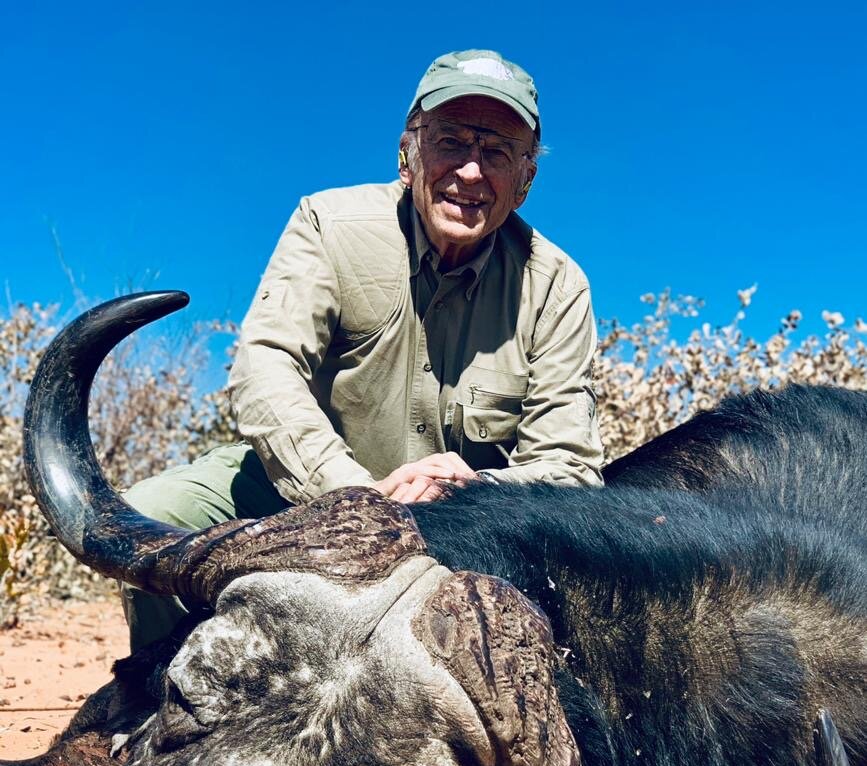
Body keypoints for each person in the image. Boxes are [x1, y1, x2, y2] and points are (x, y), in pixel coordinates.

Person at [124, 48, 605, 651]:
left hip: (462, 525)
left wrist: (477, 492)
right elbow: (265, 370)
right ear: (408, 154)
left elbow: (571, 472)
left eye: (498, 152)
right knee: (150, 517)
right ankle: (159, 710)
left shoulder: (556, 286)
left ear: (526, 180)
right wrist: (354, 500)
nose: (472, 172)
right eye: (451, 141)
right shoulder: (328, 223)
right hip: (305, 491)